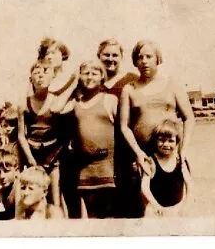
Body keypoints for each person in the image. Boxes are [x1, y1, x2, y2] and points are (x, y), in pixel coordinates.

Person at [120, 39, 195, 176]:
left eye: (149, 56)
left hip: (171, 154)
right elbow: (124, 126)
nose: (144, 61)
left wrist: (183, 150)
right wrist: (138, 152)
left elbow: (189, 118)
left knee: (174, 196)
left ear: (157, 59)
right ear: (135, 61)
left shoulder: (172, 84)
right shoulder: (129, 89)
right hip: (144, 157)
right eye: (140, 57)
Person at [54, 60, 117, 219]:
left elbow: (122, 130)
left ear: (102, 77)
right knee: (91, 218)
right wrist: (74, 82)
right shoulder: (76, 103)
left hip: (108, 169)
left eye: (94, 74)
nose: (90, 77)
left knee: (110, 219)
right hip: (85, 172)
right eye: (86, 73)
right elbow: (55, 108)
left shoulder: (109, 99)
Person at [97, 39, 140, 218]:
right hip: (100, 155)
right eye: (106, 54)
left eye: (115, 55)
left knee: (130, 203)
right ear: (98, 56)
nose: (111, 59)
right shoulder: (92, 81)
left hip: (125, 151)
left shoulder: (132, 80)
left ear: (121, 57)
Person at [18, 59, 68, 208]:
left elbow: (65, 132)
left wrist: (54, 156)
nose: (41, 76)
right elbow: (21, 135)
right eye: (36, 73)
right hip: (32, 154)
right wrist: (30, 160)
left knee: (55, 199)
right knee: (30, 196)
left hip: (53, 156)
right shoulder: (24, 104)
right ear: (30, 79)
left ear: (53, 77)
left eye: (45, 72)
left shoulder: (57, 101)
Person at [141, 119, 193, 217]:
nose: (166, 144)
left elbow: (189, 184)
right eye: (161, 140)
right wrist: (155, 205)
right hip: (155, 208)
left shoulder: (180, 161)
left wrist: (187, 204)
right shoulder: (150, 161)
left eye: (171, 141)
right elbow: (144, 187)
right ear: (155, 141)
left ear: (177, 142)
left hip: (176, 208)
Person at [30, 37, 78, 116]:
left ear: (62, 54)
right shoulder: (43, 74)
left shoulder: (70, 71)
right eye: (46, 54)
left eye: (53, 53)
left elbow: (56, 108)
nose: (49, 57)